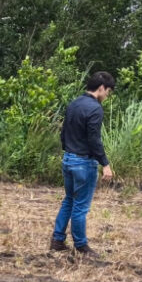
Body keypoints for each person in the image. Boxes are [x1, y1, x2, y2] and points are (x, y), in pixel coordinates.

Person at [50, 71, 115, 257]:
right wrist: (105, 164)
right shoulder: (95, 109)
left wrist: (68, 150)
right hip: (83, 163)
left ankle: (57, 240)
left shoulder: (74, 103)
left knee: (69, 200)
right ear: (101, 88)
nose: (107, 95)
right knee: (80, 206)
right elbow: (94, 139)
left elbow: (63, 133)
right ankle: (81, 246)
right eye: (108, 92)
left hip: (68, 159)